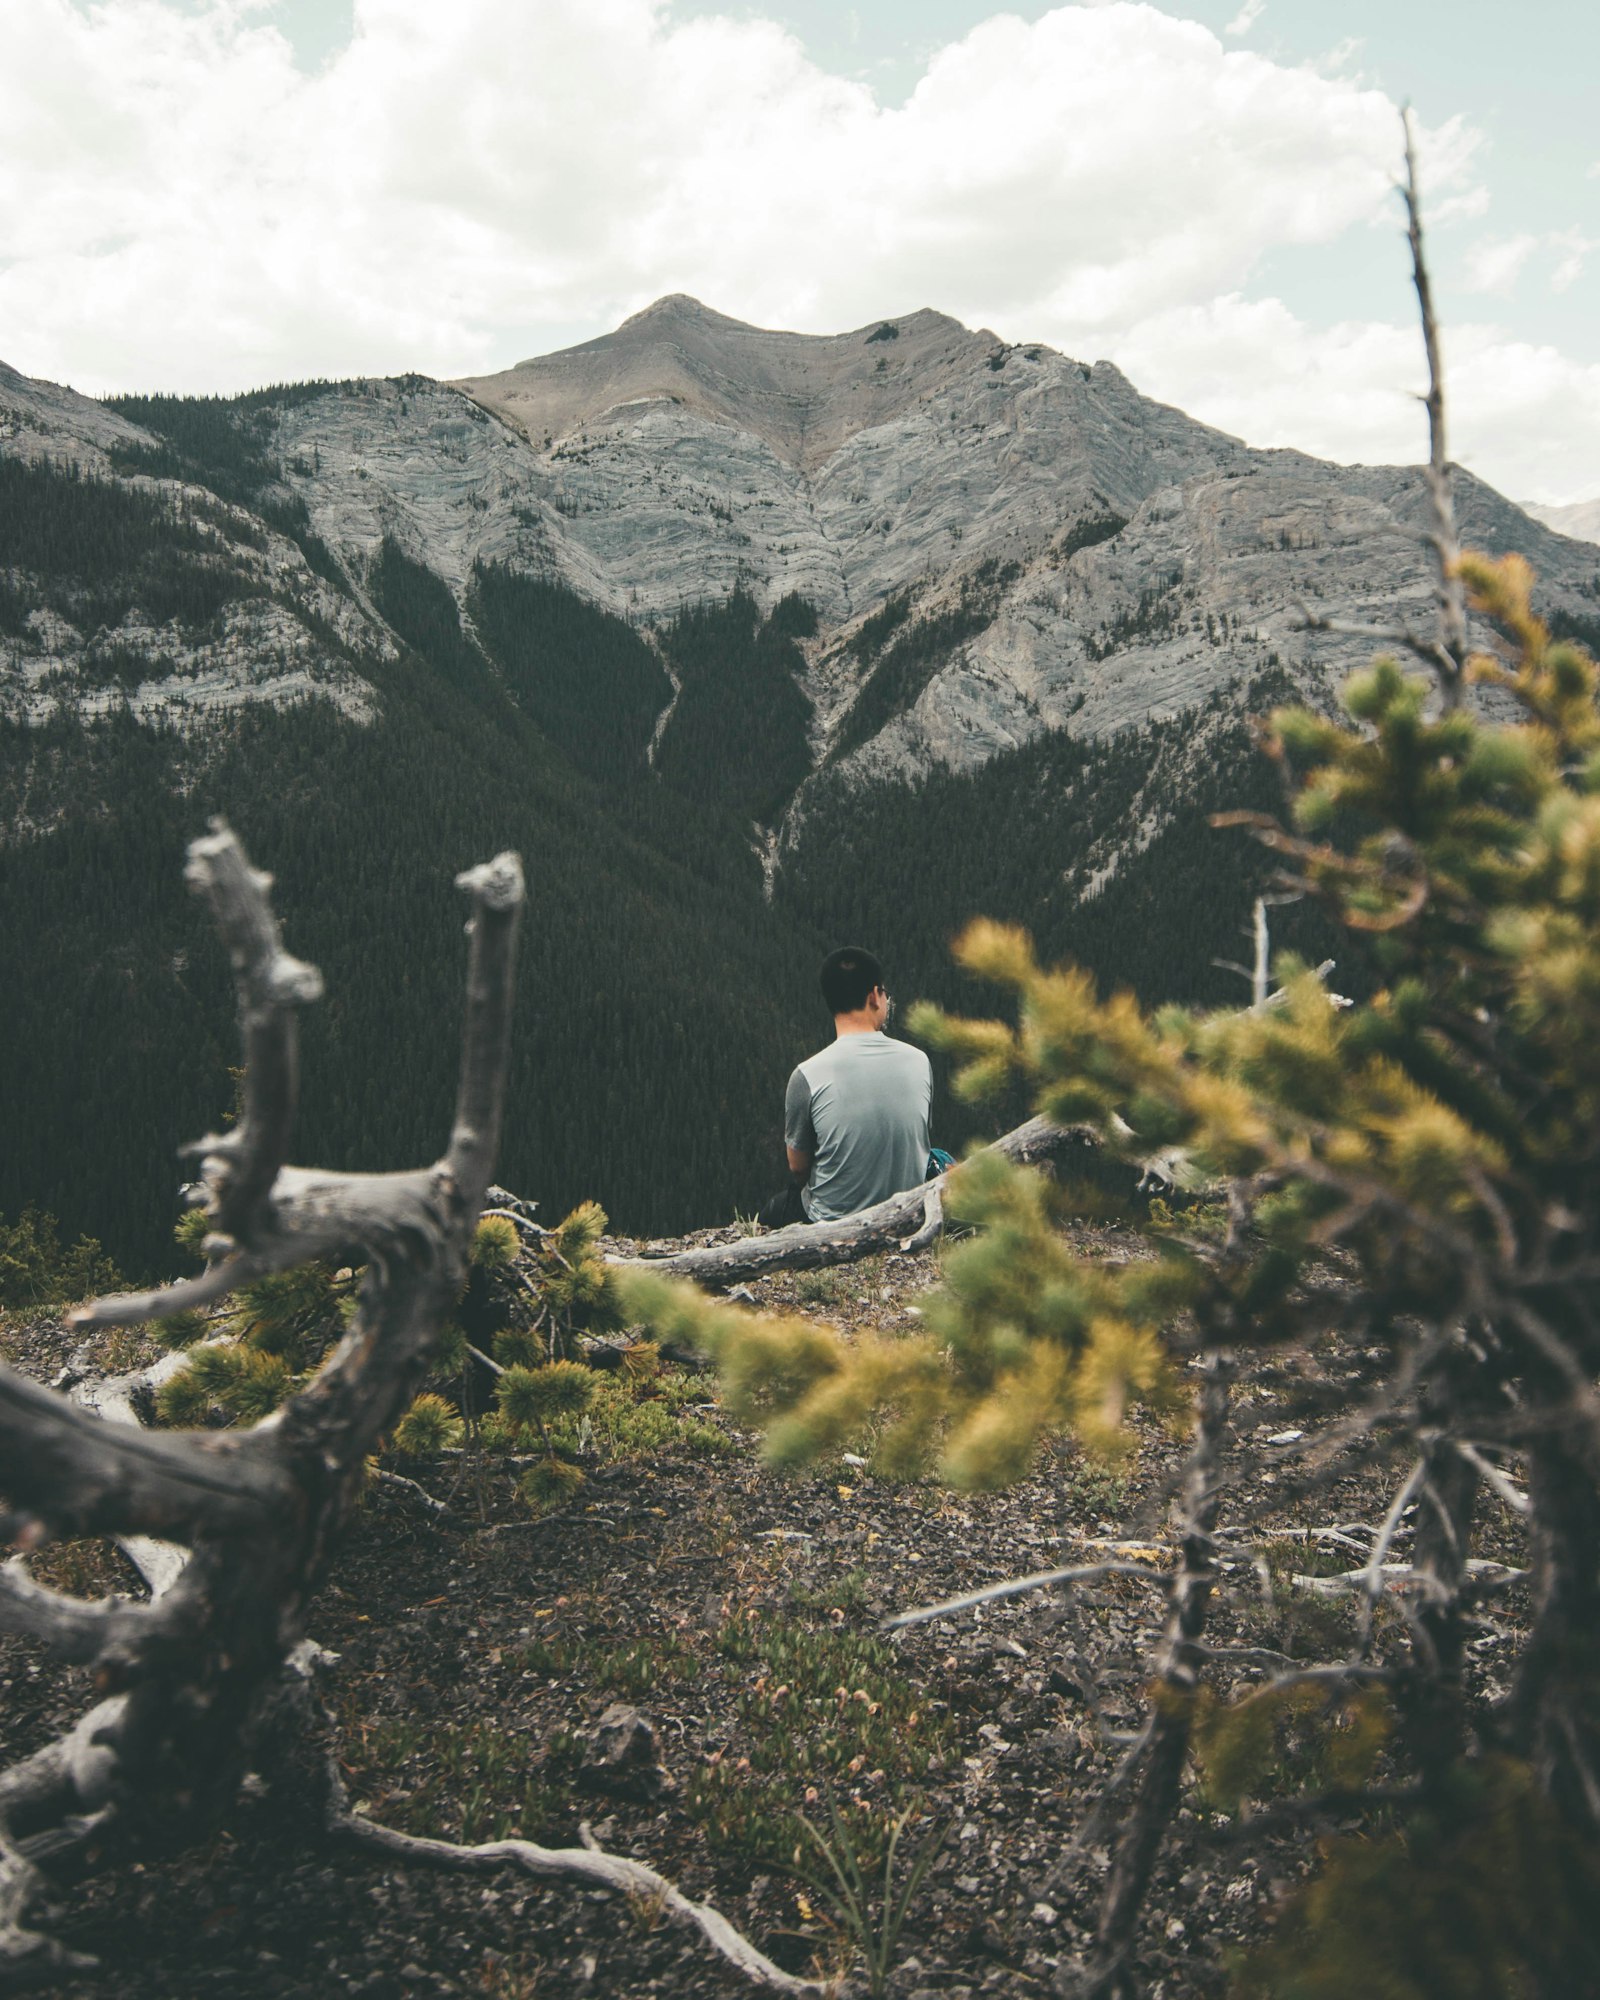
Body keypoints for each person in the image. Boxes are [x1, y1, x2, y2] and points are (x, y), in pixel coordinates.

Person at [758, 946, 936, 1229]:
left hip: (832, 1224)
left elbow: (798, 1168)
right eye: (885, 994)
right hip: (906, 1215)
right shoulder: (919, 1061)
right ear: (874, 997)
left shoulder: (806, 1075)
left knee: (771, 1213)